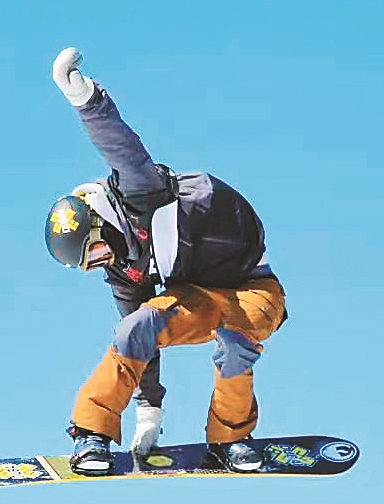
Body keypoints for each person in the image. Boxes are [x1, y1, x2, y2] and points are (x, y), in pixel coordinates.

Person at [47, 48, 287, 476]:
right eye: (90, 265)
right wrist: (149, 409)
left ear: (101, 224)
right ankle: (91, 435)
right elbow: (139, 340)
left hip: (251, 285)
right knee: (135, 326)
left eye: (95, 252)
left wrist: (85, 99)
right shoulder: (125, 269)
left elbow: (120, 145)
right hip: (197, 294)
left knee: (236, 340)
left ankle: (230, 439)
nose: (102, 263)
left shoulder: (140, 194)